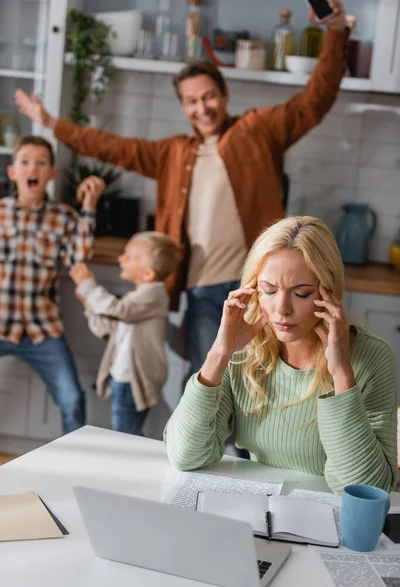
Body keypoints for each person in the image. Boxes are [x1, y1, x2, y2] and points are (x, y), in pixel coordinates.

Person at [14, 1, 349, 376]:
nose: (201, 107)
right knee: (210, 381)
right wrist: (50, 123)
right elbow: (111, 146)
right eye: (191, 101)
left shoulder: (258, 131)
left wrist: (336, 31)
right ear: (184, 107)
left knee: (262, 380)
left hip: (261, 288)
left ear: (224, 96)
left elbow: (315, 100)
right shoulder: (173, 153)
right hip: (203, 291)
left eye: (208, 96)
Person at [164, 216, 398, 495]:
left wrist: (342, 374)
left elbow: (368, 489)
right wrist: (219, 352)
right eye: (269, 291)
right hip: (261, 510)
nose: (281, 309)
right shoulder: (243, 350)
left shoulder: (372, 356)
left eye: (301, 293)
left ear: (329, 292)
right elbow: (185, 456)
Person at [0, 135, 104, 433]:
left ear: (52, 173)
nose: (33, 168)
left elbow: (78, 259)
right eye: (25, 162)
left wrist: (89, 206)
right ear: (12, 171)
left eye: (41, 162)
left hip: (42, 329)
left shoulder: (64, 217)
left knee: (73, 400)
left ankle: (70, 468)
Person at [69, 231, 182, 436]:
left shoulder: (154, 294)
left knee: (125, 435)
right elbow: (108, 329)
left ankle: (128, 467)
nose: (120, 259)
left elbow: (119, 310)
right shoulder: (138, 297)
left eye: (128, 257)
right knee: (127, 433)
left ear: (148, 274)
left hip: (132, 379)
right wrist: (88, 303)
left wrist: (88, 286)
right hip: (122, 377)